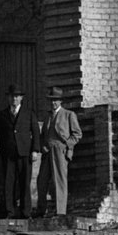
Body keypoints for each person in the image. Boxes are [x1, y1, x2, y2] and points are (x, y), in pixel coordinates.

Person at [38, 86, 83, 217]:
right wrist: (43, 146)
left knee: (59, 181)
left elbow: (77, 134)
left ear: (60, 101)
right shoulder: (47, 116)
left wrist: (67, 145)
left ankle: (60, 212)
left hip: (60, 150)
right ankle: (41, 210)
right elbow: (43, 135)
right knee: (41, 181)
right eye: (51, 100)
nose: (53, 103)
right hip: (47, 151)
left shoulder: (68, 115)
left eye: (55, 100)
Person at [0, 85, 37, 218]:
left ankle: (25, 212)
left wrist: (35, 150)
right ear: (8, 98)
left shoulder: (29, 113)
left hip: (25, 153)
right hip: (8, 154)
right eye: (12, 96)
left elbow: (35, 132)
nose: (14, 99)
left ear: (21, 98)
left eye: (17, 96)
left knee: (24, 183)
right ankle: (9, 211)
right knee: (8, 183)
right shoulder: (2, 114)